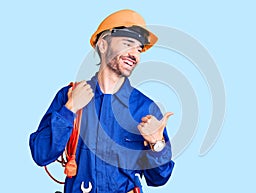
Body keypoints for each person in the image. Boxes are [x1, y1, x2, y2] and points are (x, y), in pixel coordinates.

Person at [29, 9, 175, 193]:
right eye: (128, 44)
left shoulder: (144, 108)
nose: (134, 55)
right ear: (103, 45)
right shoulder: (69, 96)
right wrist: (69, 109)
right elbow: (41, 155)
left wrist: (157, 144)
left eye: (138, 49)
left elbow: (159, 178)